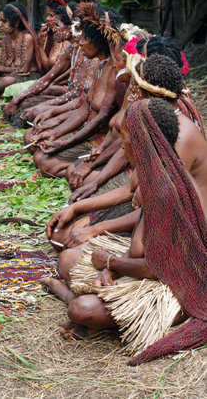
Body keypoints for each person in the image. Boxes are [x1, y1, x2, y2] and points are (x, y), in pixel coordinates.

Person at [41, 98, 207, 365]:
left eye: (125, 138)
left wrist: (109, 262)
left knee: (81, 309)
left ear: (141, 141)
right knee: (68, 259)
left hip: (177, 283)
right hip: (145, 264)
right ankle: (99, 314)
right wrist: (112, 268)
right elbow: (141, 248)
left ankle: (71, 297)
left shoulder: (167, 186)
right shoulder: (154, 171)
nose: (122, 144)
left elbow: (157, 268)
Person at [47, 54, 207, 250]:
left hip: (175, 229)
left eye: (137, 89)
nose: (134, 94)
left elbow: (157, 209)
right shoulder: (156, 123)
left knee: (66, 251)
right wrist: (76, 207)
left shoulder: (180, 137)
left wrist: (96, 229)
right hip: (144, 210)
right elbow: (131, 190)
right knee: (59, 235)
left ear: (153, 96)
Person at [30, 2, 125, 178]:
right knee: (35, 140)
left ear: (100, 41)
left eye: (85, 38)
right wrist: (55, 132)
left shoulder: (116, 73)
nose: (80, 41)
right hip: (86, 129)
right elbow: (84, 108)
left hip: (101, 140)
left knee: (44, 161)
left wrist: (65, 143)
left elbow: (102, 118)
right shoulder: (100, 65)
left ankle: (86, 170)